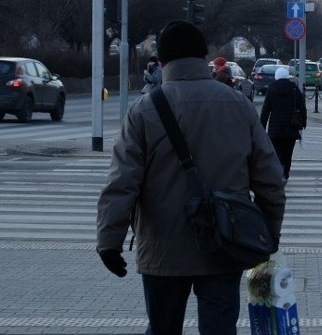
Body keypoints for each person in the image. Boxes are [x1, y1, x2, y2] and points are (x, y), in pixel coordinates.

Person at [97, 20, 286, 335]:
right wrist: (269, 232)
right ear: (203, 56)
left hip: (161, 247)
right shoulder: (238, 104)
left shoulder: (144, 109)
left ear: (164, 60)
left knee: (162, 329)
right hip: (226, 242)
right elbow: (270, 180)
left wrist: (109, 242)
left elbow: (122, 183)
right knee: (219, 330)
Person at [260, 66, 307, 181]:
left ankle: (278, 173)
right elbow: (302, 107)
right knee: (288, 154)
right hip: (291, 128)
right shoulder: (294, 89)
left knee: (277, 153)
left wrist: (261, 126)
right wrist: (304, 122)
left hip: (275, 129)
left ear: (276, 76)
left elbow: (266, 110)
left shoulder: (271, 89)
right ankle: (285, 175)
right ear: (287, 76)